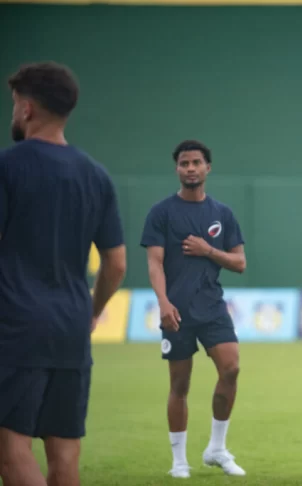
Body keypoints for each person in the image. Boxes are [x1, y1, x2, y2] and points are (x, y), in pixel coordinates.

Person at [0, 62, 127, 486]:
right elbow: (116, 264)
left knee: (10, 451)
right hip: (71, 325)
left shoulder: (8, 167)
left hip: (15, 327)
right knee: (65, 451)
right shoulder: (96, 175)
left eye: (15, 103)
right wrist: (92, 312)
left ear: (28, 108)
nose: (14, 112)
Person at [140, 140, 247, 479]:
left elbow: (240, 262)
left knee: (230, 369)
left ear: (207, 168)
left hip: (212, 307)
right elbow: (154, 263)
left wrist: (208, 250)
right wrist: (163, 302)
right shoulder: (161, 212)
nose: (190, 168)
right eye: (184, 163)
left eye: (196, 162)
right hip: (176, 311)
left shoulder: (222, 214)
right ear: (177, 169)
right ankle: (179, 461)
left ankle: (216, 448)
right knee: (180, 385)